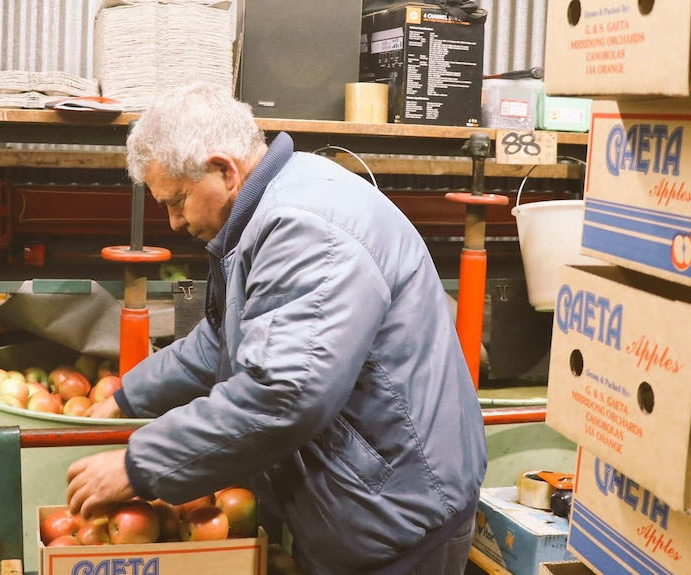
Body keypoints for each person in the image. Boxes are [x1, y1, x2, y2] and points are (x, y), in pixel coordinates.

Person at [66, 82, 487, 575]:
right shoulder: (274, 204)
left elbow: (287, 391)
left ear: (224, 170)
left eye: (177, 200)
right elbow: (223, 339)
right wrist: (128, 396)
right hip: (365, 493)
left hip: (397, 511)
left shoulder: (305, 228)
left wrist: (139, 466)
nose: (174, 221)